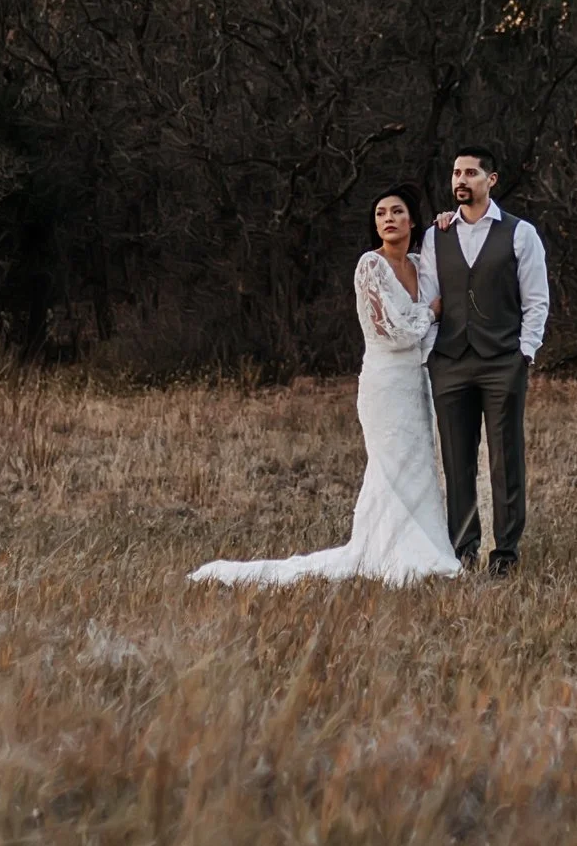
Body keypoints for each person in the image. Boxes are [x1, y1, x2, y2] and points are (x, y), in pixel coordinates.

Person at [190, 184, 463, 587]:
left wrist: (448, 222)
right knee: (389, 465)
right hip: (385, 383)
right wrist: (430, 312)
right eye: (380, 213)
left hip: (417, 382)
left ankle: (419, 546)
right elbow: (392, 331)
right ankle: (392, 552)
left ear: (412, 220)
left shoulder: (422, 264)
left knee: (418, 464)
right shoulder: (370, 266)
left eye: (396, 212)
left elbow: (453, 267)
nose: (388, 219)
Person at [422, 146, 549, 576]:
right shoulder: (435, 234)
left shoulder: (520, 233)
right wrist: (433, 352)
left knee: (504, 458)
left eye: (471, 173)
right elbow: (428, 297)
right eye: (456, 172)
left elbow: (537, 300)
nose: (461, 180)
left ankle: (506, 553)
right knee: (456, 461)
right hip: (450, 361)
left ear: (491, 180)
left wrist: (524, 354)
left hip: (502, 362)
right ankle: (463, 549)